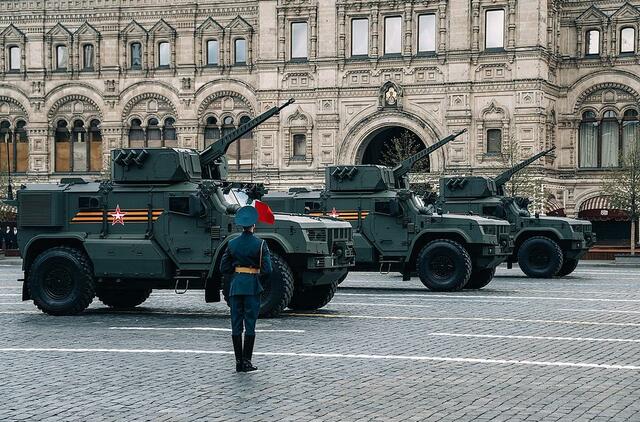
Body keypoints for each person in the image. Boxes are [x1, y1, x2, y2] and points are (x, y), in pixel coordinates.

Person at [220, 206, 272, 373]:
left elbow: (224, 267)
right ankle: (247, 361)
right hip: (251, 285)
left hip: (236, 285)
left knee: (236, 323)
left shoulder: (232, 243)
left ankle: (237, 362)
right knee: (250, 323)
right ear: (253, 225)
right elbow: (268, 269)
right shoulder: (261, 244)